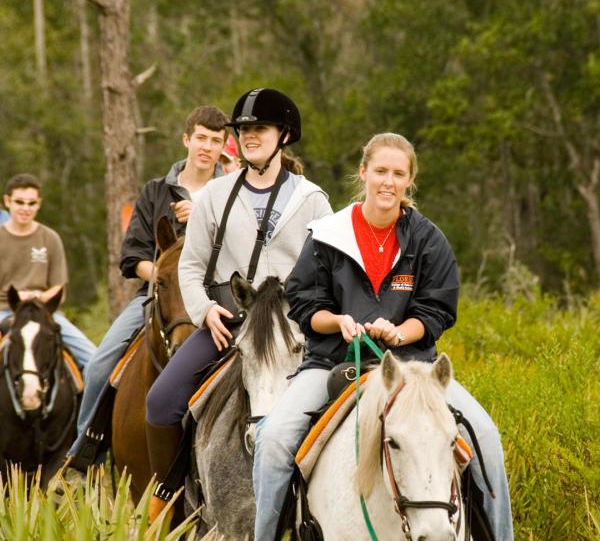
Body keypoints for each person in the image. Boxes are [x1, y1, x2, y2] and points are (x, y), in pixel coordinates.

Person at [254, 133, 514, 541]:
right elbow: (305, 305)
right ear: (363, 173)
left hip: (414, 369)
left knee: (486, 438)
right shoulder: (326, 234)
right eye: (380, 171)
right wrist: (338, 321)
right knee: (273, 438)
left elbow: (435, 311)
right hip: (331, 364)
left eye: (398, 173)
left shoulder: (429, 240)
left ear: (409, 180)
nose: (388, 182)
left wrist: (398, 331)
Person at [144, 88, 332, 521]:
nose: (249, 136)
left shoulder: (313, 200)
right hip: (228, 321)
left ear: (284, 135)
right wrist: (205, 311)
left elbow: (327, 272)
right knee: (160, 401)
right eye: (244, 130)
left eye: (259, 129)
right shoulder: (215, 195)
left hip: (292, 326)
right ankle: (170, 501)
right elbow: (190, 268)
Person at [67, 105, 229, 468]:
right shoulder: (155, 191)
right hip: (158, 295)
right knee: (99, 364)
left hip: (215, 300)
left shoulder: (229, 192)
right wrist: (164, 278)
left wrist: (203, 213)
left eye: (215, 141)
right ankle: (84, 454)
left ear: (223, 148)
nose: (206, 147)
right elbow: (132, 256)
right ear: (186, 140)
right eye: (200, 138)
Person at [0, 174, 96, 373]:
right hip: (4, 311)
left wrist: (39, 298)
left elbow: (59, 288)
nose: (25, 208)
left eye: (31, 203)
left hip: (44, 311)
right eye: (19, 202)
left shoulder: (50, 238)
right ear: (7, 201)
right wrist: (19, 298)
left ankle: (86, 402)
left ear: (38, 204)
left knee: (94, 358)